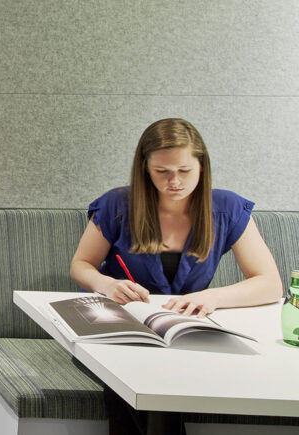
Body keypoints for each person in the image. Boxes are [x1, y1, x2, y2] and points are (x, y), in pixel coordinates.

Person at [70, 117, 281, 435]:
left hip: (185, 335)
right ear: (144, 169)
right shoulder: (118, 205)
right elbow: (81, 264)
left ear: (202, 166)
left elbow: (270, 283)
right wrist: (107, 283)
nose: (175, 182)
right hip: (119, 332)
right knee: (136, 374)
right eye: (162, 172)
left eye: (185, 171)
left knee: (171, 373)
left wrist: (211, 297)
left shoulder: (227, 209)